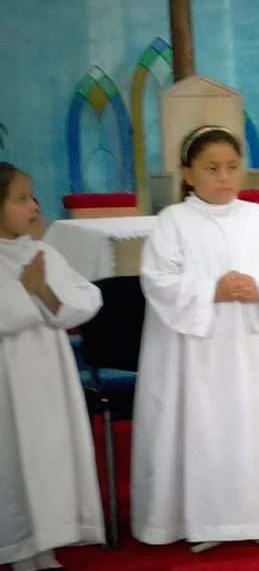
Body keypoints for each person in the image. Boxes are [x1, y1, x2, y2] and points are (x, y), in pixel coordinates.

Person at [131, 126, 259, 551]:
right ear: (188, 173)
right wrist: (212, 289)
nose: (224, 177)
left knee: (253, 426)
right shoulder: (173, 221)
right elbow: (158, 280)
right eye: (212, 168)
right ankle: (202, 520)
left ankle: (257, 513)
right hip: (195, 354)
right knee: (203, 429)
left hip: (252, 348)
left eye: (232, 167)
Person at [0, 162, 105, 570]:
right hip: (8, 382)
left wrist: (43, 292)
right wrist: (31, 296)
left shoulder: (41, 253)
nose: (35, 206)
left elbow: (87, 298)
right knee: (13, 457)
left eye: (33, 196)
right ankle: (18, 547)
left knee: (47, 455)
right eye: (21, 199)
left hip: (49, 376)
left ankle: (45, 543)